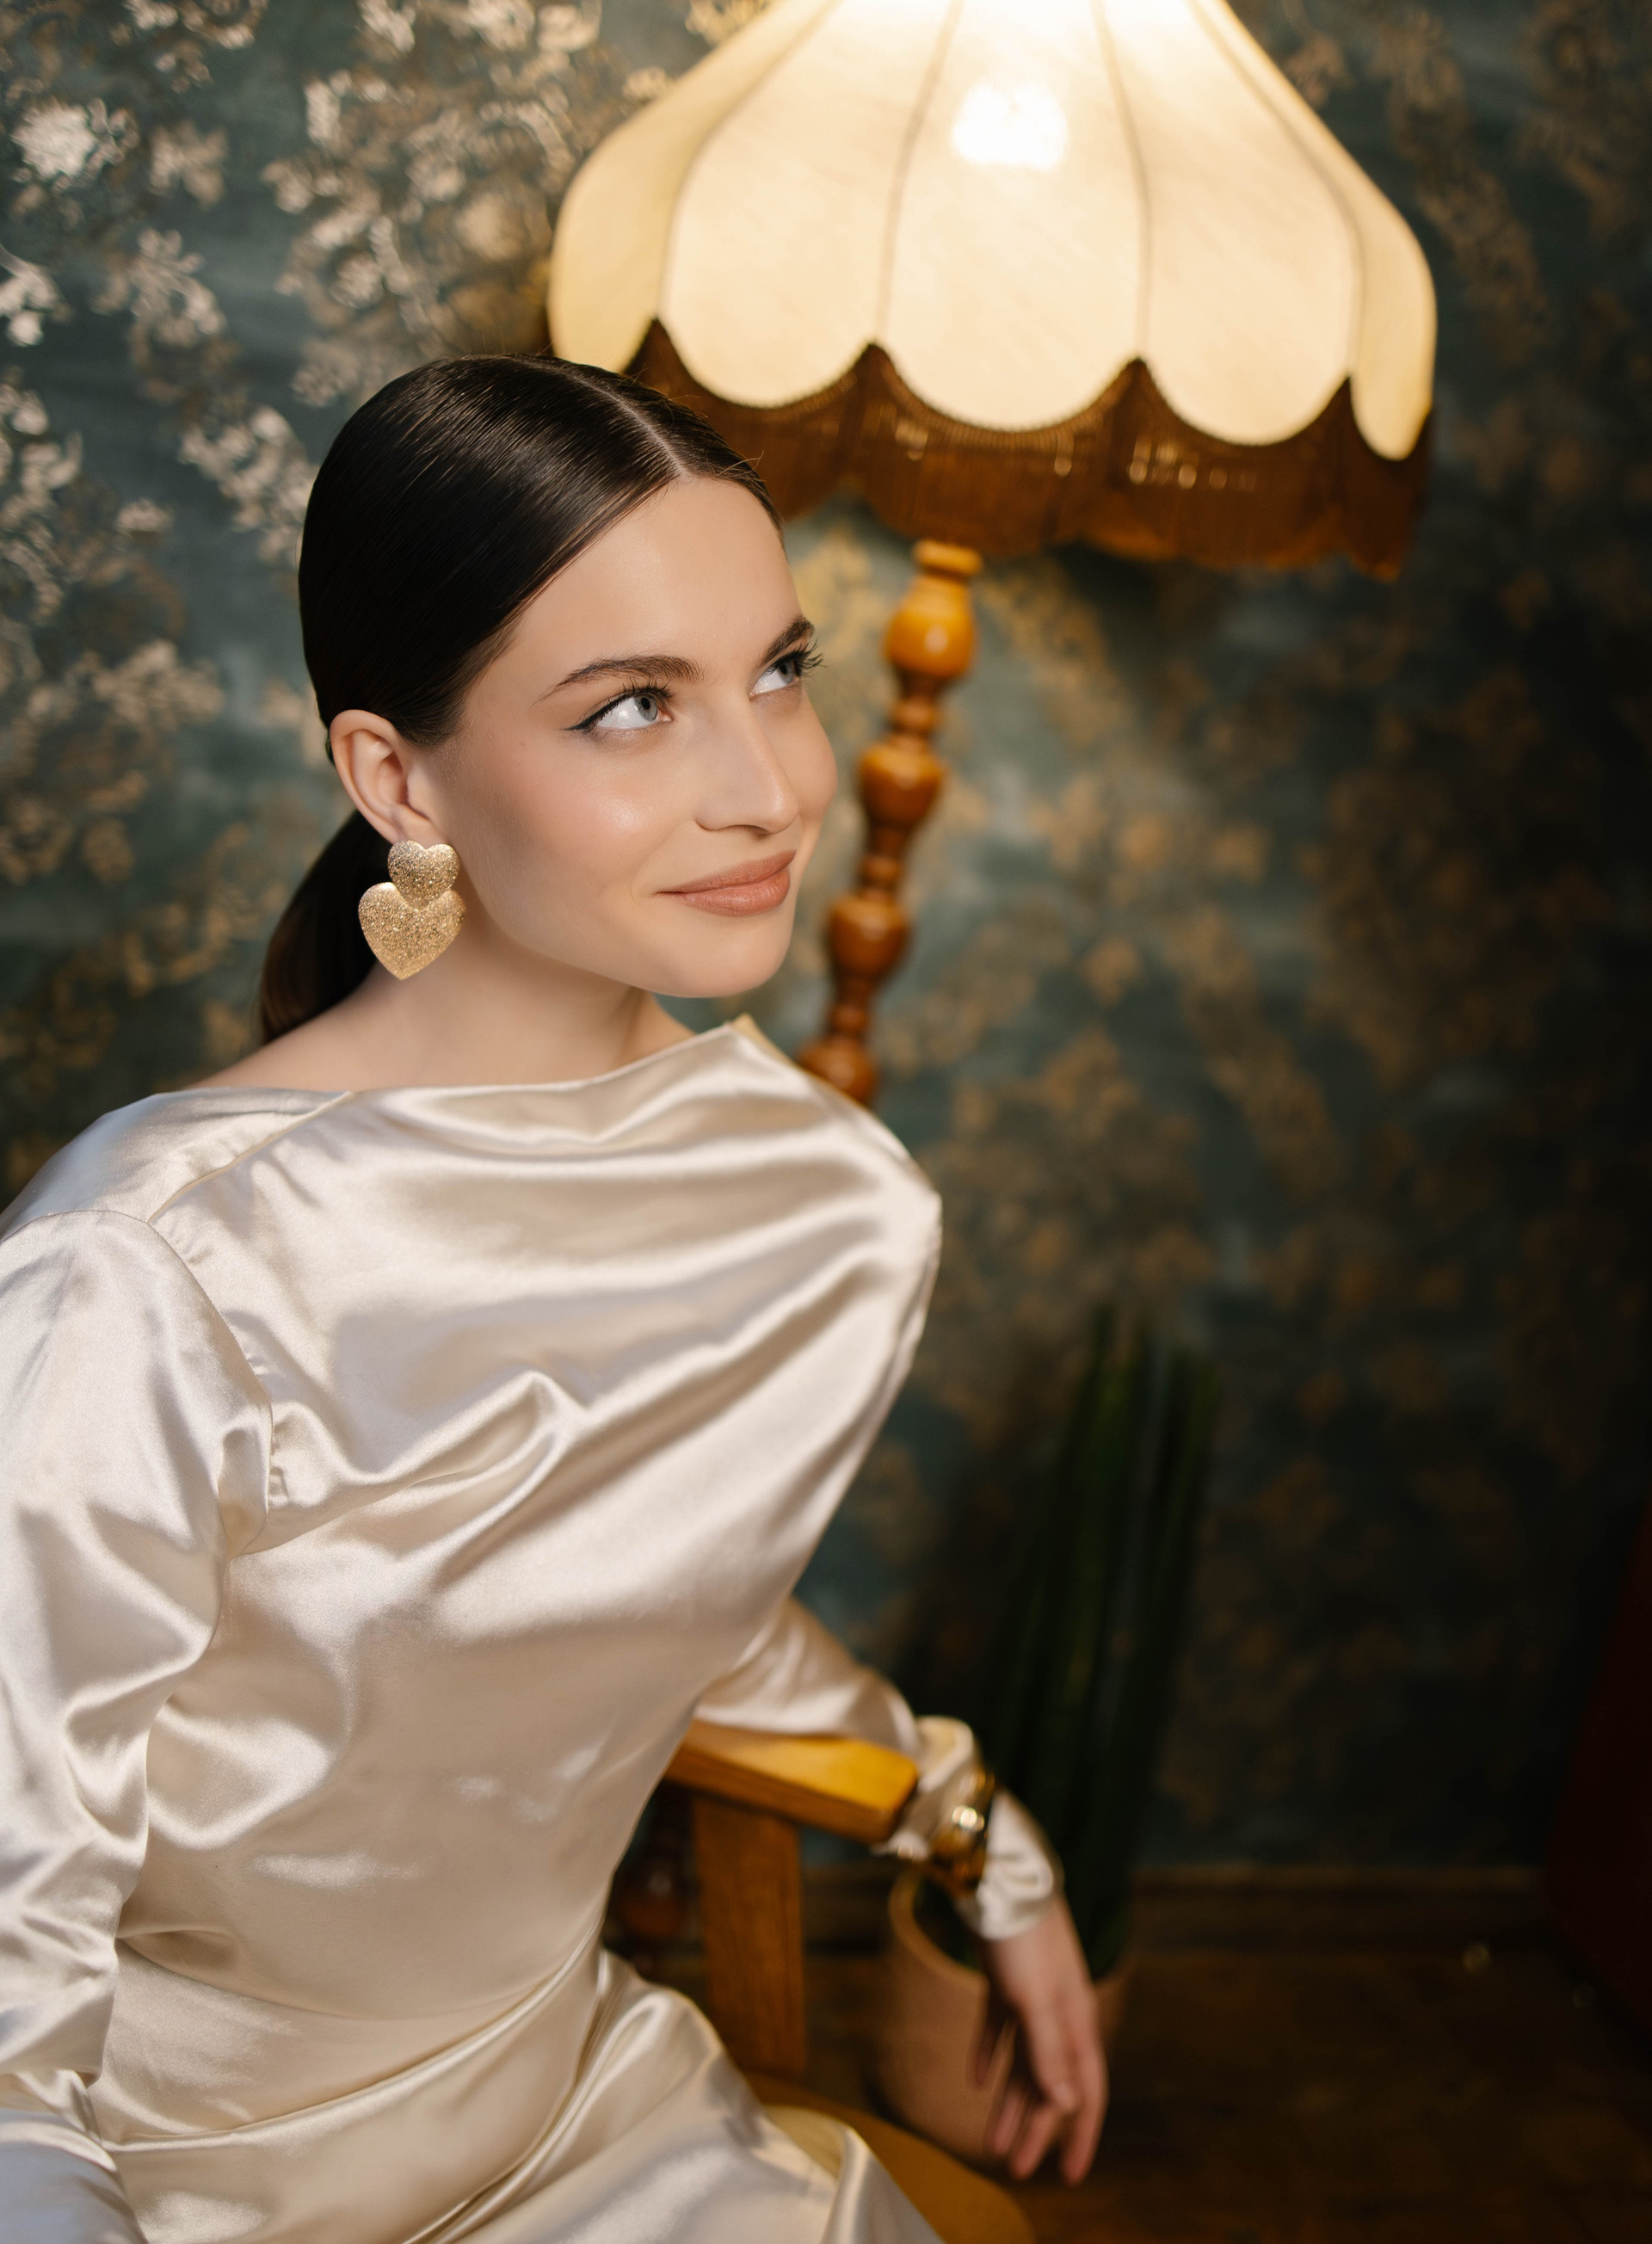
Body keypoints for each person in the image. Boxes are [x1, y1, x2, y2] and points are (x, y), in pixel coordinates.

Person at [0, 354, 1106, 2244]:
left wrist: (967, 1820)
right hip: (155, 2170)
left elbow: (649, 1607)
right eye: (634, 708)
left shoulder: (834, 1212)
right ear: (397, 778)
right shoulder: (141, 1273)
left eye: (780, 669)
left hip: (584, 2123)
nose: (768, 787)